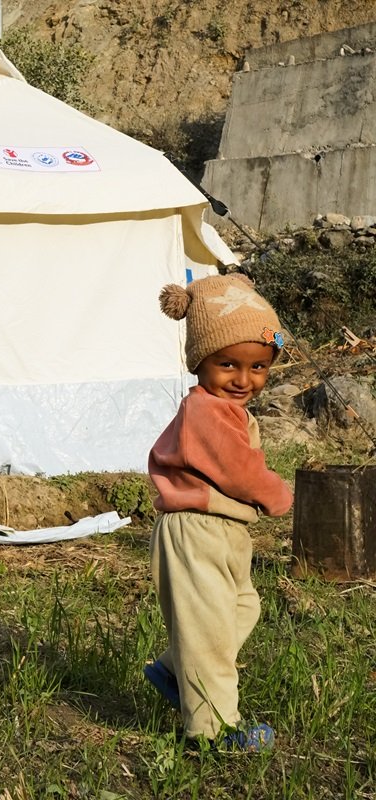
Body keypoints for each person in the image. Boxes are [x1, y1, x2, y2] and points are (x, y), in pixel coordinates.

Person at [145, 273, 293, 751]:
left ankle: (173, 668)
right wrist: (278, 494)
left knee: (240, 608)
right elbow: (239, 471)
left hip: (223, 529)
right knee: (209, 628)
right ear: (200, 361)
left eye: (259, 367)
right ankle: (212, 733)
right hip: (197, 528)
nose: (244, 379)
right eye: (228, 364)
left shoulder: (230, 410)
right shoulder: (205, 409)